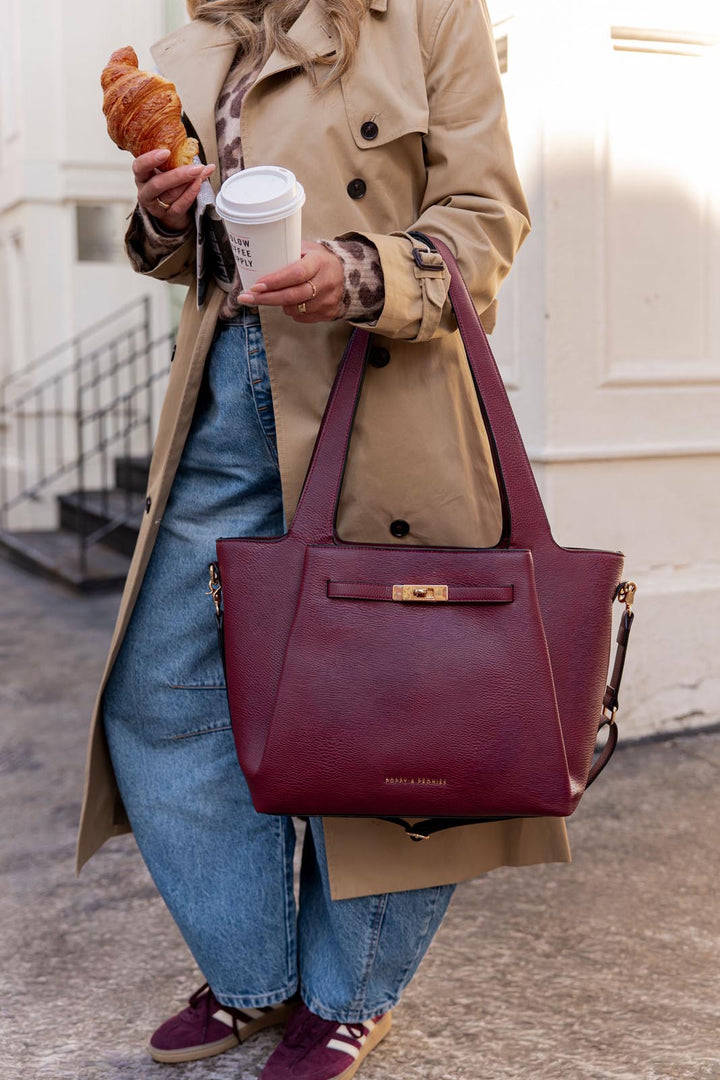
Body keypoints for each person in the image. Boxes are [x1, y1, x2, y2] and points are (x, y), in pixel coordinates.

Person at [77, 1, 572, 1076]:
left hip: (378, 393)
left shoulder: (431, 15)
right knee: (159, 691)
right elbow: (206, 250)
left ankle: (350, 995)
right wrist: (171, 220)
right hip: (222, 397)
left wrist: (358, 272)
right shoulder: (213, 32)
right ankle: (255, 972)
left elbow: (487, 215)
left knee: (405, 713)